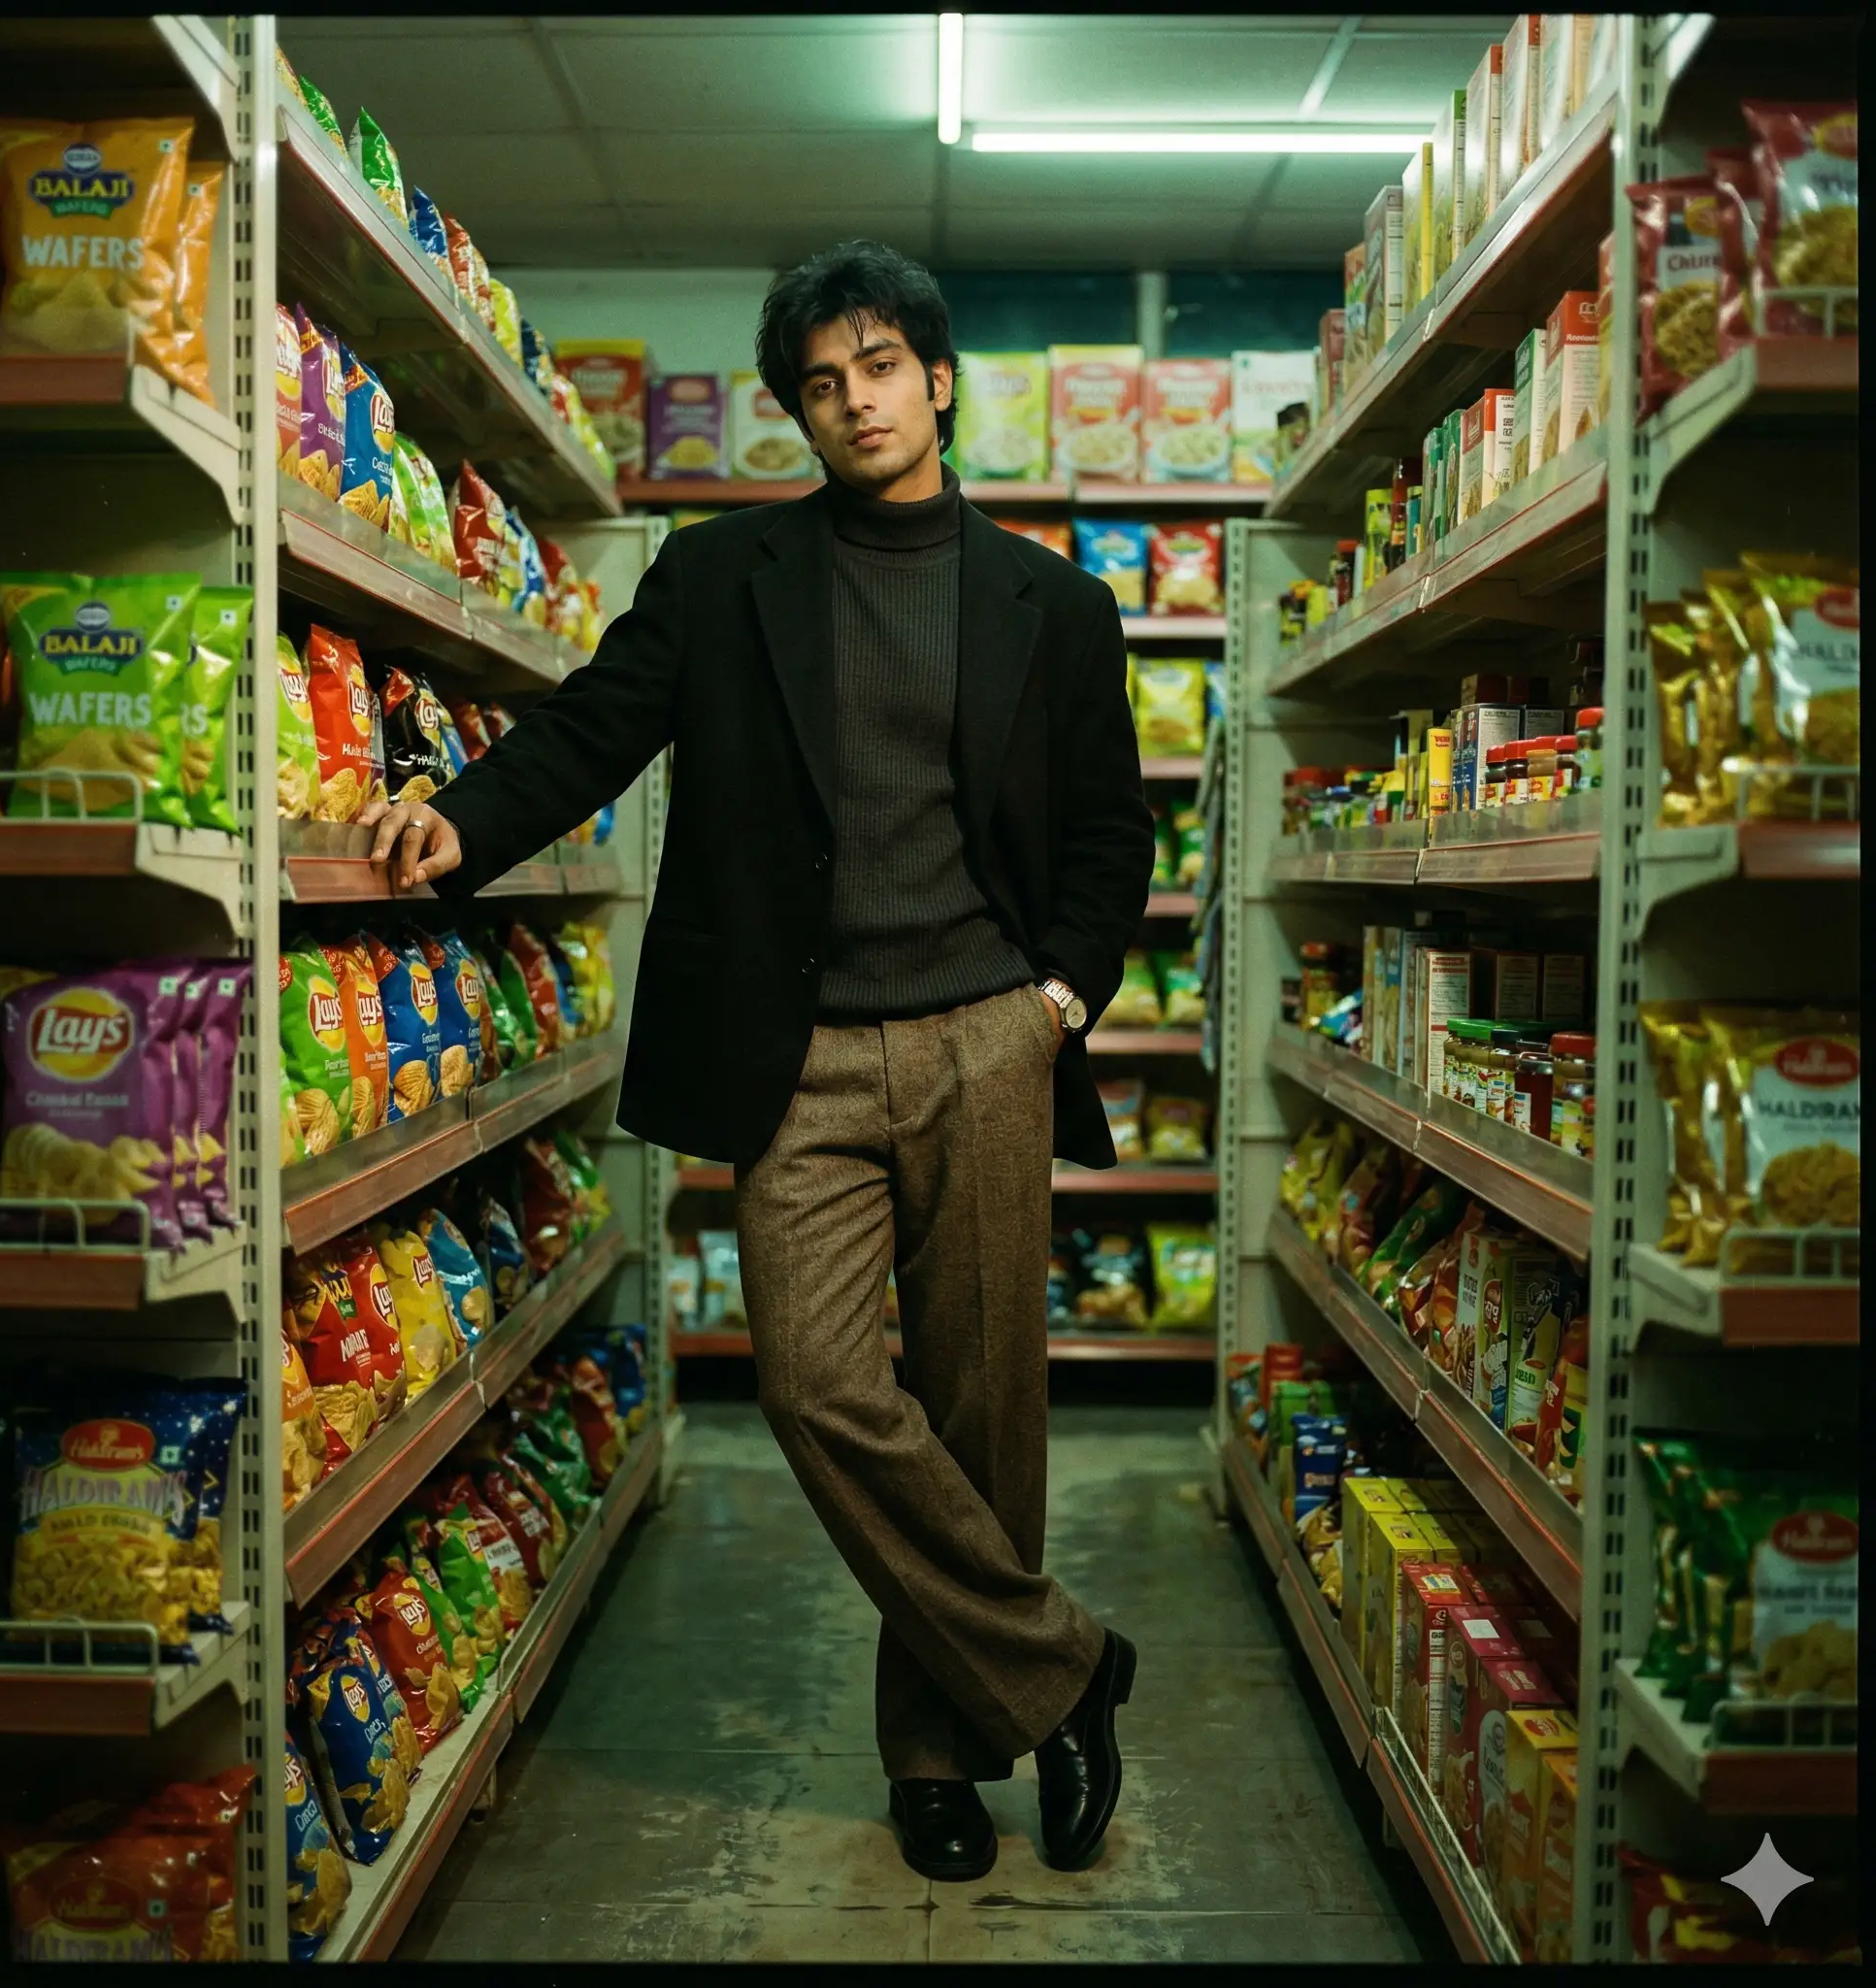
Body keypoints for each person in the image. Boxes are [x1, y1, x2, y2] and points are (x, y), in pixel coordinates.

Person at [360, 241, 1154, 1880]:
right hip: (795, 1054)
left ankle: (936, 1758)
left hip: (986, 1037)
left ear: (938, 381)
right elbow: (592, 727)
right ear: (798, 410)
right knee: (816, 1388)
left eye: (877, 367)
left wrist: (1058, 1001)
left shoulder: (1055, 607)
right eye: (818, 381)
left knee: (983, 1411)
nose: (852, 401)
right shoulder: (725, 580)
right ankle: (1066, 1670)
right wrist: (464, 818)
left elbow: (1106, 835)